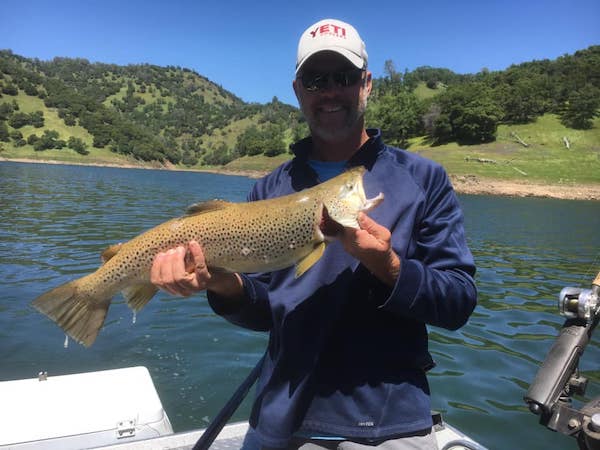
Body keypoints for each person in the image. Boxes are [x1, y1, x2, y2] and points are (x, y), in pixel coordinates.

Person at [151, 18, 477, 450]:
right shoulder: (269, 189)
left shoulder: (424, 179)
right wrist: (223, 284)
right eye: (315, 79)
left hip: (386, 423)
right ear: (297, 90)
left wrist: (387, 265)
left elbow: (457, 302)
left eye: (343, 77)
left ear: (366, 84)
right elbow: (266, 310)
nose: (329, 92)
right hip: (280, 419)